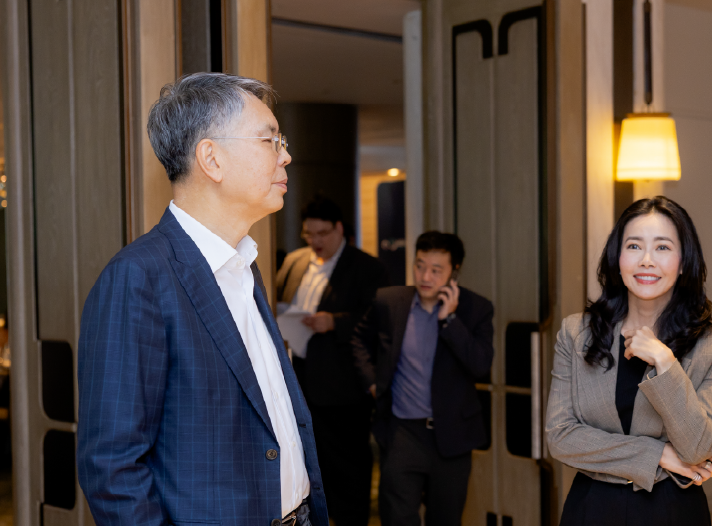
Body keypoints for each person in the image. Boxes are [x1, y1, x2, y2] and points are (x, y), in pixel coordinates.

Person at [77, 73, 328, 526]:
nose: (286, 155)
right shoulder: (139, 278)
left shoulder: (242, 264)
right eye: (270, 140)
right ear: (211, 158)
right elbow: (112, 468)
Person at [546, 196, 712, 526]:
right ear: (617, 258)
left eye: (662, 247)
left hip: (673, 511)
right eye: (634, 246)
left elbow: (698, 449)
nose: (647, 260)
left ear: (683, 262)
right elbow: (561, 437)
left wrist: (665, 361)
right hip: (592, 509)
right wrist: (657, 454)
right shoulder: (577, 333)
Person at [350, 231, 494, 526]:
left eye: (436, 270)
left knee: (446, 519)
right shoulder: (390, 301)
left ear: (454, 271)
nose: (425, 276)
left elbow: (480, 365)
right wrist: (372, 383)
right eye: (420, 266)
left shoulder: (475, 309)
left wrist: (450, 320)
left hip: (452, 436)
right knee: (397, 517)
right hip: (402, 432)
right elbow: (359, 339)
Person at [276, 196, 389, 525]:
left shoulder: (367, 268)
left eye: (323, 234)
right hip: (300, 381)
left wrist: (334, 322)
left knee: (348, 470)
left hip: (344, 391)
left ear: (340, 229)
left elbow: (380, 321)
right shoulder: (296, 262)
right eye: (309, 234)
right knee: (310, 469)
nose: (316, 241)